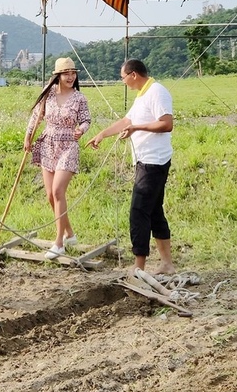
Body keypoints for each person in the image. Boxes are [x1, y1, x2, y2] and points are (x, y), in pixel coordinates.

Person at [88, 59, 174, 274]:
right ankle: (166, 264)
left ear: (133, 74)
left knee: (138, 212)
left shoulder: (156, 91)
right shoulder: (143, 94)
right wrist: (102, 135)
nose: (123, 81)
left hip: (154, 162)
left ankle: (139, 266)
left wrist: (137, 127)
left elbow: (166, 124)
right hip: (145, 160)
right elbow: (127, 121)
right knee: (154, 212)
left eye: (123, 77)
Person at [24, 57, 92, 260]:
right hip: (47, 143)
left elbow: (86, 119)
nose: (71, 77)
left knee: (58, 190)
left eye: (73, 73)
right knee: (50, 195)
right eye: (66, 73)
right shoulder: (48, 94)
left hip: (68, 145)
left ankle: (59, 243)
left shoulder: (79, 98)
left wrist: (81, 129)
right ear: (58, 76)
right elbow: (36, 117)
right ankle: (69, 234)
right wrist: (28, 137)